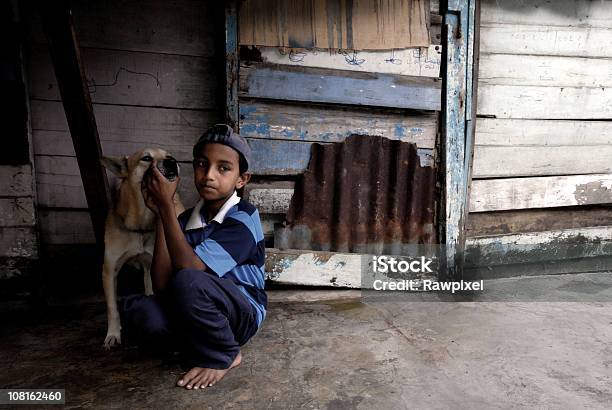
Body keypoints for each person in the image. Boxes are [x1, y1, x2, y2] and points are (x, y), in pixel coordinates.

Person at [120, 124, 267, 389]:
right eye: (202, 164)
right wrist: (160, 213)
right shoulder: (187, 219)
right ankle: (196, 342)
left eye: (223, 168)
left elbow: (192, 271)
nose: (209, 175)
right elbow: (163, 284)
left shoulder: (244, 218)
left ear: (241, 179)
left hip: (240, 312)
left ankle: (226, 352)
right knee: (139, 310)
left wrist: (167, 205)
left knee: (189, 280)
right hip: (196, 306)